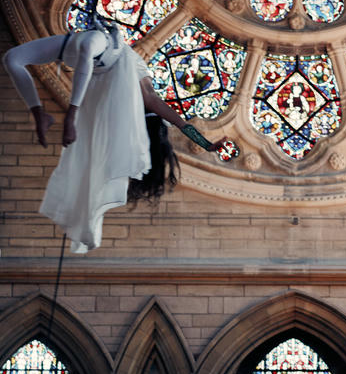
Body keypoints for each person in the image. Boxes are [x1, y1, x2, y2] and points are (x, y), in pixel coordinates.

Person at [3, 18, 224, 253]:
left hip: (87, 52)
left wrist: (71, 116)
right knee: (12, 59)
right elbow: (164, 110)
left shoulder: (118, 103)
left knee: (26, 57)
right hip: (93, 50)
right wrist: (204, 143)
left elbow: (148, 103)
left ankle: (45, 113)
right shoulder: (136, 77)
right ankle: (39, 114)